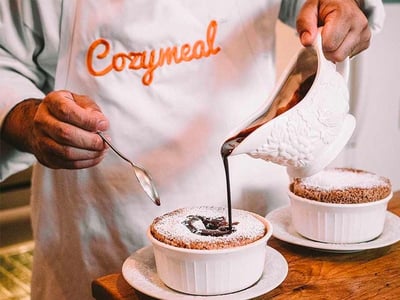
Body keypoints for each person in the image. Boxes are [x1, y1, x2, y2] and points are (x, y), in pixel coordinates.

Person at [0, 1, 384, 299]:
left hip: (253, 212)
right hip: (105, 229)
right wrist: (28, 118)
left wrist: (337, 11)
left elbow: (323, 7)